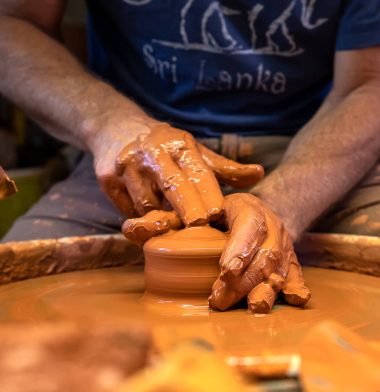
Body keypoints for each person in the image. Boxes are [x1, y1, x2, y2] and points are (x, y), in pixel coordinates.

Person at [1, 0, 380, 313]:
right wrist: (109, 124)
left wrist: (279, 206)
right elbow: (12, 22)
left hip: (318, 146)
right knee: (19, 298)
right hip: (134, 146)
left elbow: (369, 81)